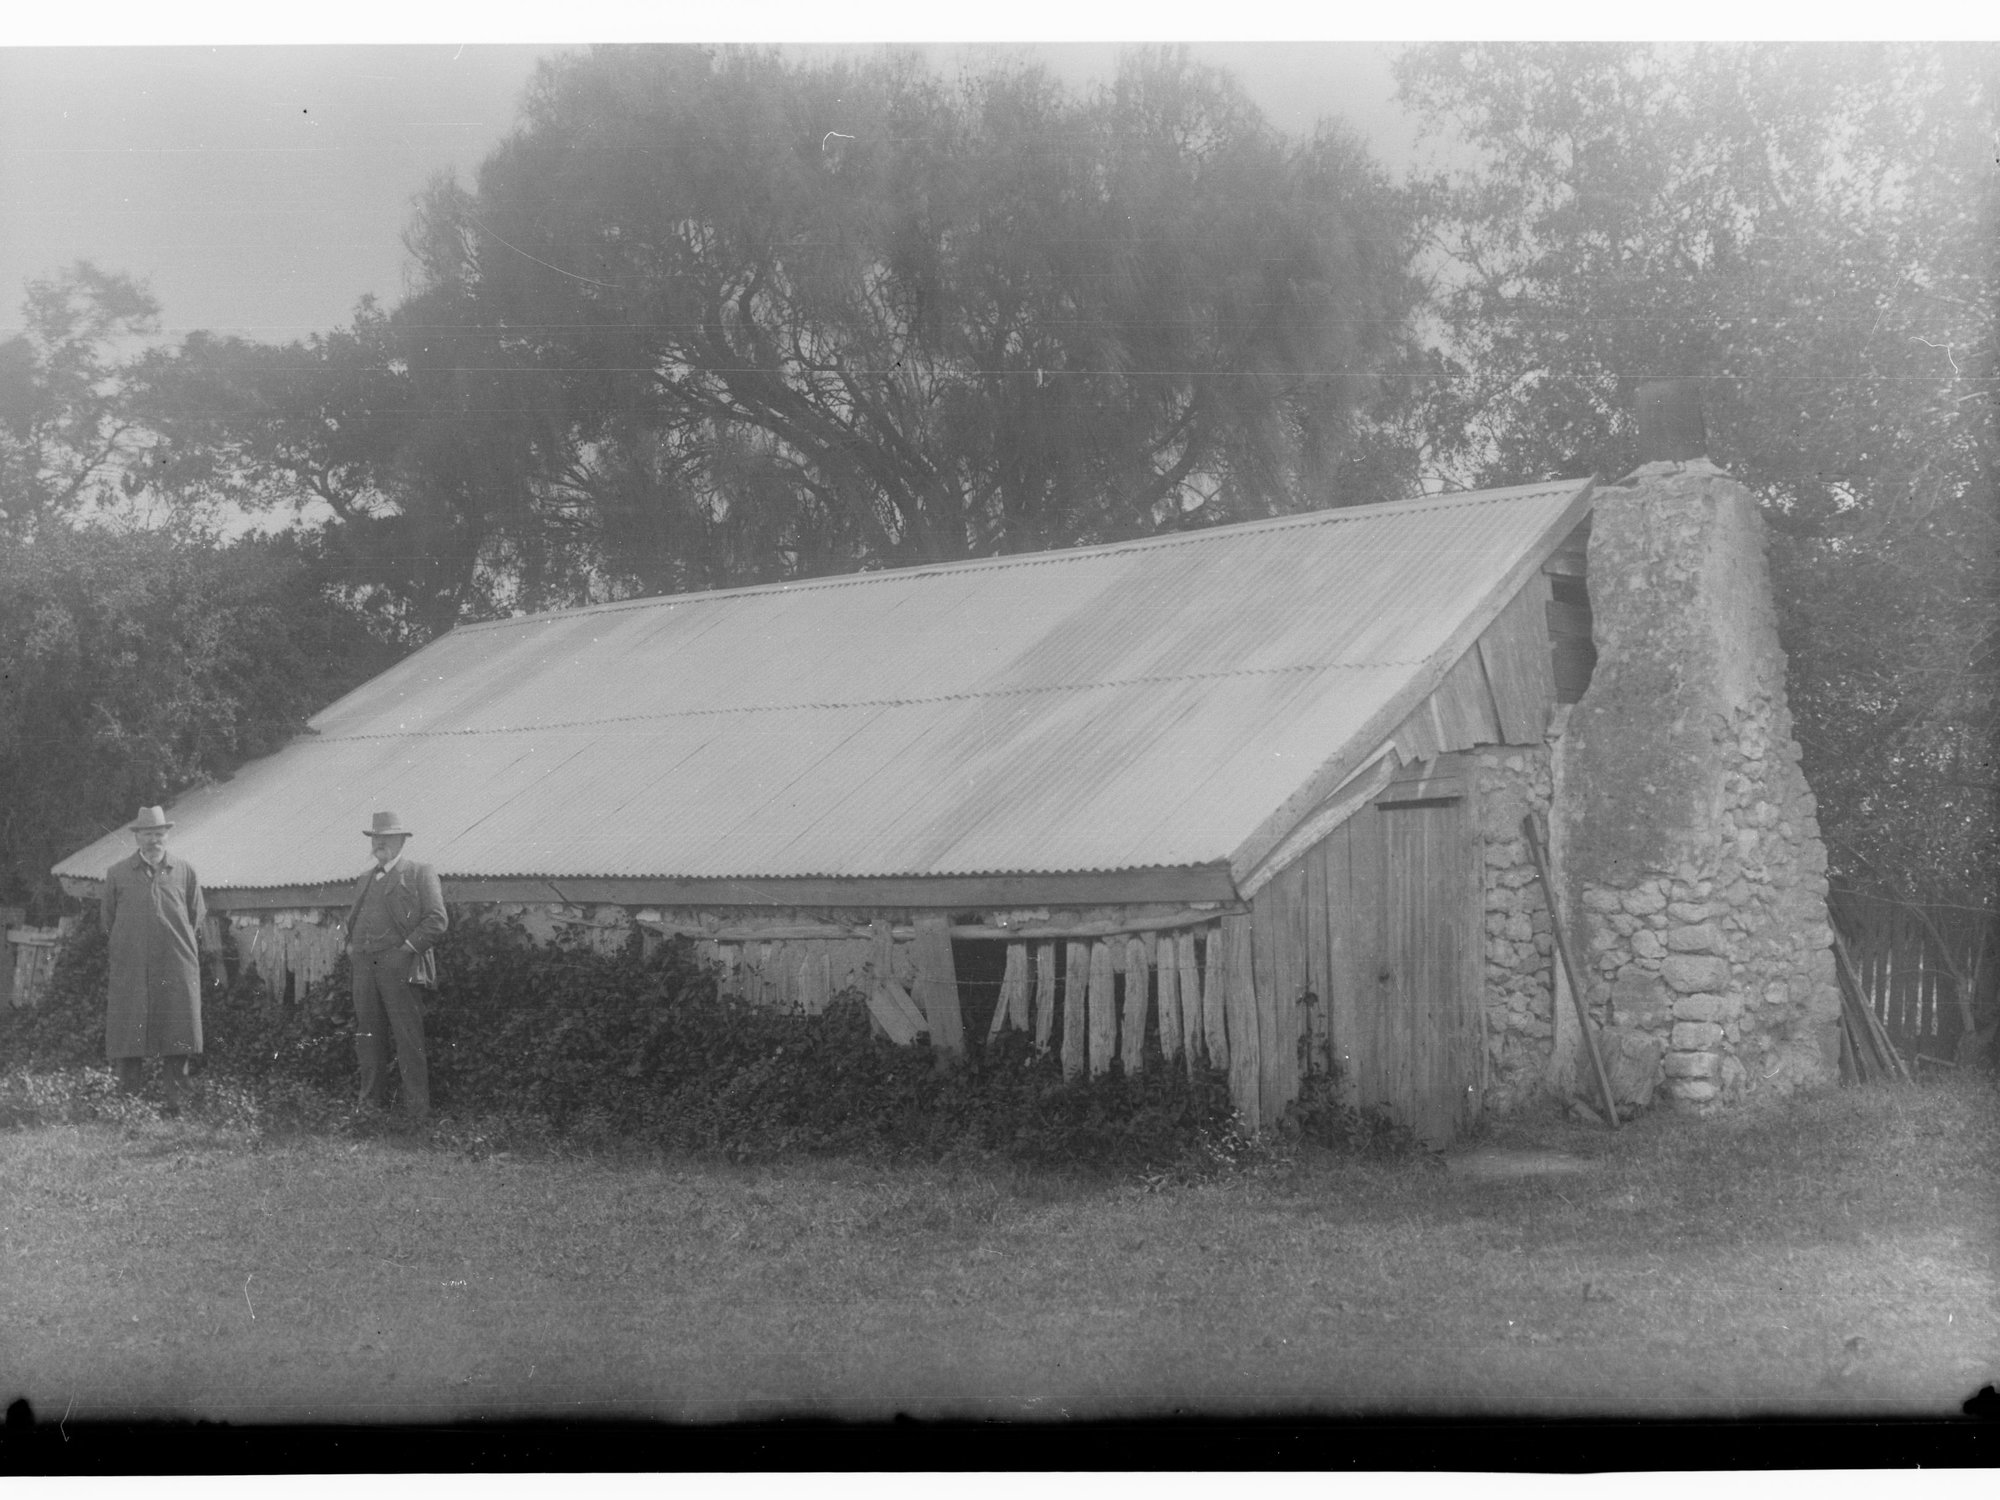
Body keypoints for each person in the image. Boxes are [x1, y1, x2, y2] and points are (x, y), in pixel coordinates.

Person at [343, 810, 447, 1125]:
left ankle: (417, 1115)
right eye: (376, 837)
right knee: (367, 1038)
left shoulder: (419, 872)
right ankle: (369, 1113)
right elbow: (353, 920)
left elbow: (437, 920)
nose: (379, 842)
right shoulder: (364, 877)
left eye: (386, 837)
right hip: (364, 967)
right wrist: (350, 944)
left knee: (408, 1039)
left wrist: (405, 951)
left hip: (398, 966)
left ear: (401, 840)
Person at [101, 806, 206, 1110]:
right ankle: (129, 1107)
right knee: (129, 1032)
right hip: (132, 968)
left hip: (175, 966)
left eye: (158, 834)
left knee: (178, 1032)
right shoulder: (117, 874)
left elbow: (196, 916)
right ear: (137, 837)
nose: (153, 840)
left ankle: (177, 1106)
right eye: (147, 834)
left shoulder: (184, 871)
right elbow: (108, 921)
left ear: (166, 836)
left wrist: (169, 943)